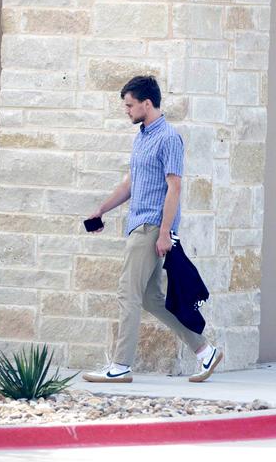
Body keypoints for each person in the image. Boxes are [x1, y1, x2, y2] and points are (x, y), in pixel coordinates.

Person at [82, 75, 223, 383]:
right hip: (139, 225)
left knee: (127, 293)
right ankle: (205, 351)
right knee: (149, 299)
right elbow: (131, 184)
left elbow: (175, 188)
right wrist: (102, 209)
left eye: (130, 105)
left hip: (151, 228)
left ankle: (120, 366)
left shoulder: (169, 138)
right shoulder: (143, 136)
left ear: (147, 104)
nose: (126, 110)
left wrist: (164, 232)